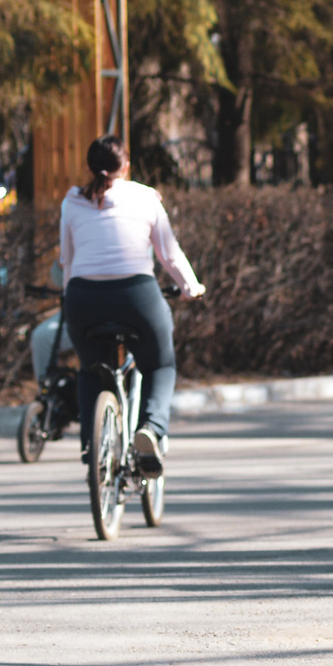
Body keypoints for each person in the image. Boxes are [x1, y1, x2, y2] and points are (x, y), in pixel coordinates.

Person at [57, 136, 206, 474]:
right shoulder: (145, 197)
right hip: (136, 297)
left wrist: (71, 302)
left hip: (82, 298)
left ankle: (91, 450)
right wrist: (191, 287)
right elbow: (169, 254)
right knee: (160, 365)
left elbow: (68, 260)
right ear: (126, 166)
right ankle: (151, 428)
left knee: (90, 369)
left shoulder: (72, 202)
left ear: (89, 167)